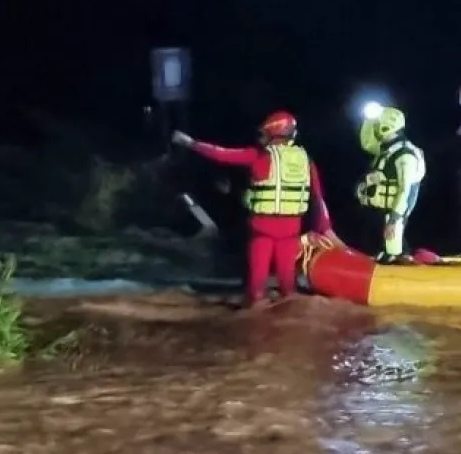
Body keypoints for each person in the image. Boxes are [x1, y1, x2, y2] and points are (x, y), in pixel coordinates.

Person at [171, 111, 340, 307]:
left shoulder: (258, 156)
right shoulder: (306, 161)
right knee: (288, 285)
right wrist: (326, 228)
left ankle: (256, 309)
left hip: (262, 230)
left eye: (264, 134)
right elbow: (317, 198)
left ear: (272, 133)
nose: (261, 138)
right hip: (290, 230)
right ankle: (289, 313)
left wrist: (191, 143)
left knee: (257, 287)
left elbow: (222, 154)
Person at [355, 106, 426, 263]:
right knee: (384, 251)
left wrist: (394, 219)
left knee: (393, 251)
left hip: (393, 213)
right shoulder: (388, 149)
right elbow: (367, 143)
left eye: (377, 123)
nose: (375, 127)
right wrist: (368, 121)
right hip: (380, 212)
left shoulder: (405, 154)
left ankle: (407, 261)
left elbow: (405, 190)